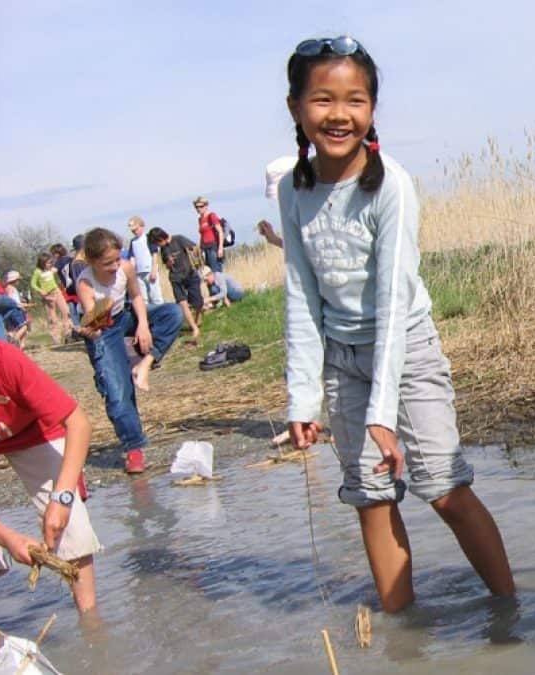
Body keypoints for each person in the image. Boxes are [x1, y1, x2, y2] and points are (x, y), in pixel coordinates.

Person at [282, 36, 514, 612]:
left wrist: (383, 413)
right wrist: (302, 398)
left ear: (372, 109)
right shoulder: (293, 188)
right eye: (323, 100)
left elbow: (391, 308)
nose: (339, 115)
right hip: (343, 360)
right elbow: (301, 297)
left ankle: (512, 612)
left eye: (355, 100)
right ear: (296, 109)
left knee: (443, 488)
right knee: (370, 495)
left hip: (407, 352)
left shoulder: (393, 187)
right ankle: (402, 637)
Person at [0, 341, 100, 612]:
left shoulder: (5, 359)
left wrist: (62, 497)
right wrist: (7, 538)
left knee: (70, 527)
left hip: (35, 430)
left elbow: (78, 423)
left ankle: (91, 625)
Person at [76, 228, 183, 473]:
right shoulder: (85, 282)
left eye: (117, 259)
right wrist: (92, 327)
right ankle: (134, 448)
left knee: (172, 313)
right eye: (107, 263)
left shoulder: (126, 267)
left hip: (126, 317)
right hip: (103, 329)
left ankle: (144, 364)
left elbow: (136, 296)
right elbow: (95, 325)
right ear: (92, 262)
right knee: (117, 391)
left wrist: (144, 326)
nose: (115, 266)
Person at [146, 227, 203, 344]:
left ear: (161, 238)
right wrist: (169, 262)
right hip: (175, 278)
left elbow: (195, 247)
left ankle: (197, 319)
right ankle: (194, 327)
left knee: (198, 303)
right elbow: (166, 265)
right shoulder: (163, 249)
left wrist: (196, 259)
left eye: (158, 242)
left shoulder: (179, 239)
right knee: (182, 302)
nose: (158, 245)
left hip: (190, 274)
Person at [30, 253, 73, 344]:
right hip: (47, 295)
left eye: (51, 262)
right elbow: (33, 284)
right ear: (42, 263)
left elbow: (61, 266)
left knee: (66, 311)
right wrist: (40, 291)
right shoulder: (37, 272)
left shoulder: (51, 270)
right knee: (52, 317)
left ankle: (68, 332)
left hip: (56, 291)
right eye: (48, 263)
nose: (50, 264)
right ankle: (56, 337)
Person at [127, 216, 164, 305]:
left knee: (155, 296)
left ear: (142, 226)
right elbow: (132, 257)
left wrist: (154, 270)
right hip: (138, 273)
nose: (134, 232)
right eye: (133, 230)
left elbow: (154, 254)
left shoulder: (148, 238)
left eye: (136, 229)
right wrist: (132, 273)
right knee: (143, 298)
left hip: (149, 271)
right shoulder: (133, 242)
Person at [192, 196, 225, 273]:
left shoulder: (211, 216)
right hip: (205, 249)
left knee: (216, 272)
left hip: (213, 248)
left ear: (206, 206)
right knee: (208, 273)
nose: (198, 209)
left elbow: (220, 231)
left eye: (201, 206)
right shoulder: (200, 219)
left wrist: (220, 248)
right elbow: (202, 235)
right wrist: (200, 249)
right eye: (196, 207)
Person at [2, 271, 30, 345]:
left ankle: (10, 342)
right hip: (15, 311)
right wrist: (24, 305)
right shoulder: (13, 289)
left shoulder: (5, 289)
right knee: (24, 327)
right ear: (14, 280)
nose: (18, 282)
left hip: (6, 312)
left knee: (10, 330)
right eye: (18, 280)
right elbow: (15, 302)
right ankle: (14, 340)